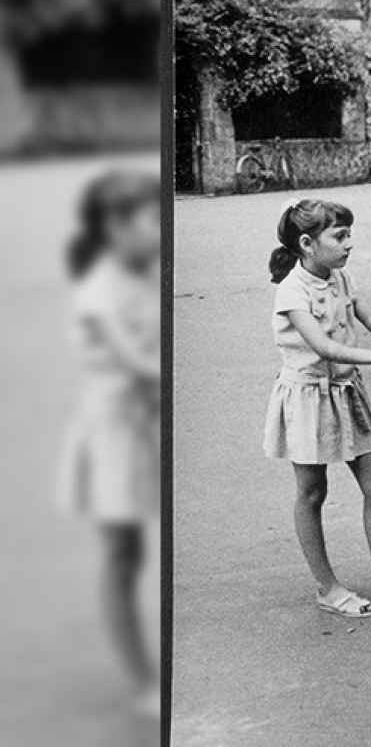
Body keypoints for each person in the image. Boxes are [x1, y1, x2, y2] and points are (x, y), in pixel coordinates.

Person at [263, 198, 371, 619]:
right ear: (307, 243)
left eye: (348, 235)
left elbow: (368, 316)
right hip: (308, 397)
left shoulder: (340, 278)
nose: (349, 244)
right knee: (312, 491)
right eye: (339, 237)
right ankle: (327, 587)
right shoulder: (292, 291)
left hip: (345, 392)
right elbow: (321, 346)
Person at [56, 170, 160, 714]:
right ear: (116, 227)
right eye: (150, 220)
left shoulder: (146, 274)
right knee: (124, 552)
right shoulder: (99, 288)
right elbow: (142, 365)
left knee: (144, 549)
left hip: (144, 424)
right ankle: (141, 678)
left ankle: (152, 666)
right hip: (114, 432)